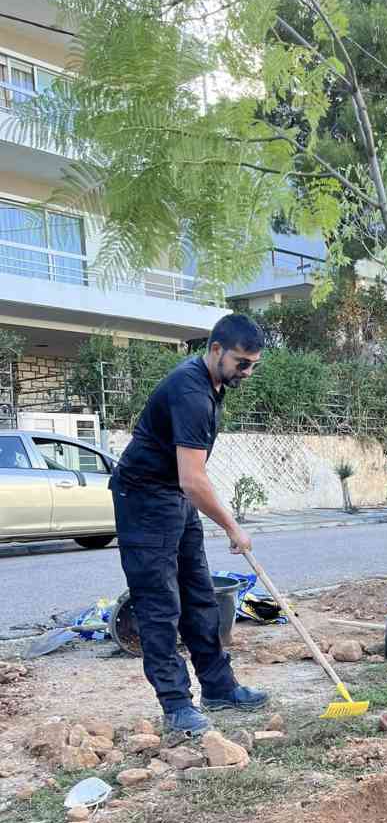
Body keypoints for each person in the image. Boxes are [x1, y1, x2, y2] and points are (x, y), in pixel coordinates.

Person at [110, 314, 270, 734]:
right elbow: (193, 477)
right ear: (216, 349)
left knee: (199, 594)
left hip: (173, 497)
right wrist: (233, 527)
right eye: (241, 362)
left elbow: (186, 482)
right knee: (160, 605)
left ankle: (219, 686)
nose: (247, 372)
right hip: (144, 498)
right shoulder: (190, 391)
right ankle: (177, 705)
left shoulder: (214, 385)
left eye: (253, 364)